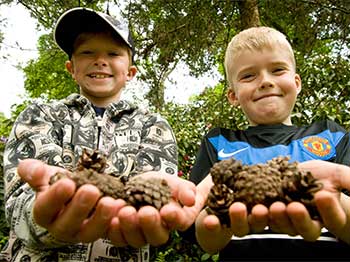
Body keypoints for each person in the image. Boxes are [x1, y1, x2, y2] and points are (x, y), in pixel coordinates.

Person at [0, 7, 198, 262]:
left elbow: (155, 189)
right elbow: (20, 200)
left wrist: (152, 202)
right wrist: (46, 215)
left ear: (131, 72)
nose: (100, 60)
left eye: (113, 53)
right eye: (87, 52)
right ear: (71, 68)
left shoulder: (153, 125)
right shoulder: (39, 116)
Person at [190, 26, 350, 260]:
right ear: (233, 95)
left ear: (297, 82)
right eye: (248, 75)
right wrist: (218, 216)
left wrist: (326, 199)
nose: (265, 81)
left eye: (277, 70)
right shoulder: (219, 142)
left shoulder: (331, 134)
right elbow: (205, 240)